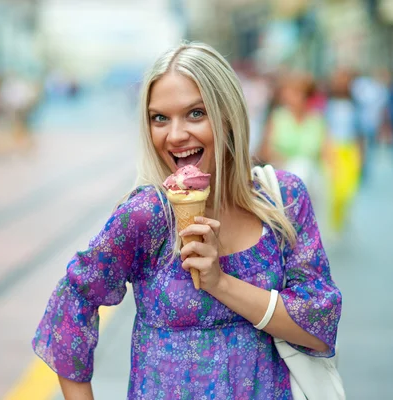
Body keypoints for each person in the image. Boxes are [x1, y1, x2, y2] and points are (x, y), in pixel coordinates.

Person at [32, 42, 342, 399]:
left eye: (195, 113)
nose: (175, 135)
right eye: (159, 118)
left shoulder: (283, 199)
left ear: (227, 115)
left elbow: (319, 326)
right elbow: (73, 302)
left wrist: (219, 282)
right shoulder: (146, 216)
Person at [258, 72, 331, 230]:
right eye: (287, 93)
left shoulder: (317, 121)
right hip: (283, 178)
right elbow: (265, 152)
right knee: (299, 168)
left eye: (295, 93)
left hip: (311, 180)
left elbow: (326, 154)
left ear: (306, 96)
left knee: (304, 168)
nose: (289, 97)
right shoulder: (277, 118)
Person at [325, 69, 362, 235]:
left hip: (350, 149)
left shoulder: (354, 104)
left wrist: (361, 152)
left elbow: (359, 130)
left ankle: (344, 214)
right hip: (334, 149)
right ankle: (335, 221)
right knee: (336, 189)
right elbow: (324, 129)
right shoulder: (328, 104)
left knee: (349, 188)